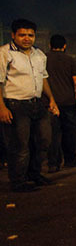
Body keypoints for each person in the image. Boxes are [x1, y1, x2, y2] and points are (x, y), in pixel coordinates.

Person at [0, 19, 60, 192]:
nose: (27, 38)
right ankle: (18, 181)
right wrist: (2, 107)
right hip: (15, 105)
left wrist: (52, 99)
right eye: (22, 35)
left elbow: (43, 78)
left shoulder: (39, 55)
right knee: (19, 145)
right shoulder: (4, 53)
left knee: (44, 141)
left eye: (30, 35)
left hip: (37, 104)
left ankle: (35, 174)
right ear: (13, 35)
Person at [46, 35, 76, 171]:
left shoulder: (43, 59)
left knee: (52, 133)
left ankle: (53, 163)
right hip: (68, 102)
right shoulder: (70, 60)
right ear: (64, 46)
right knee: (68, 132)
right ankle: (70, 160)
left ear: (50, 45)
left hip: (49, 103)